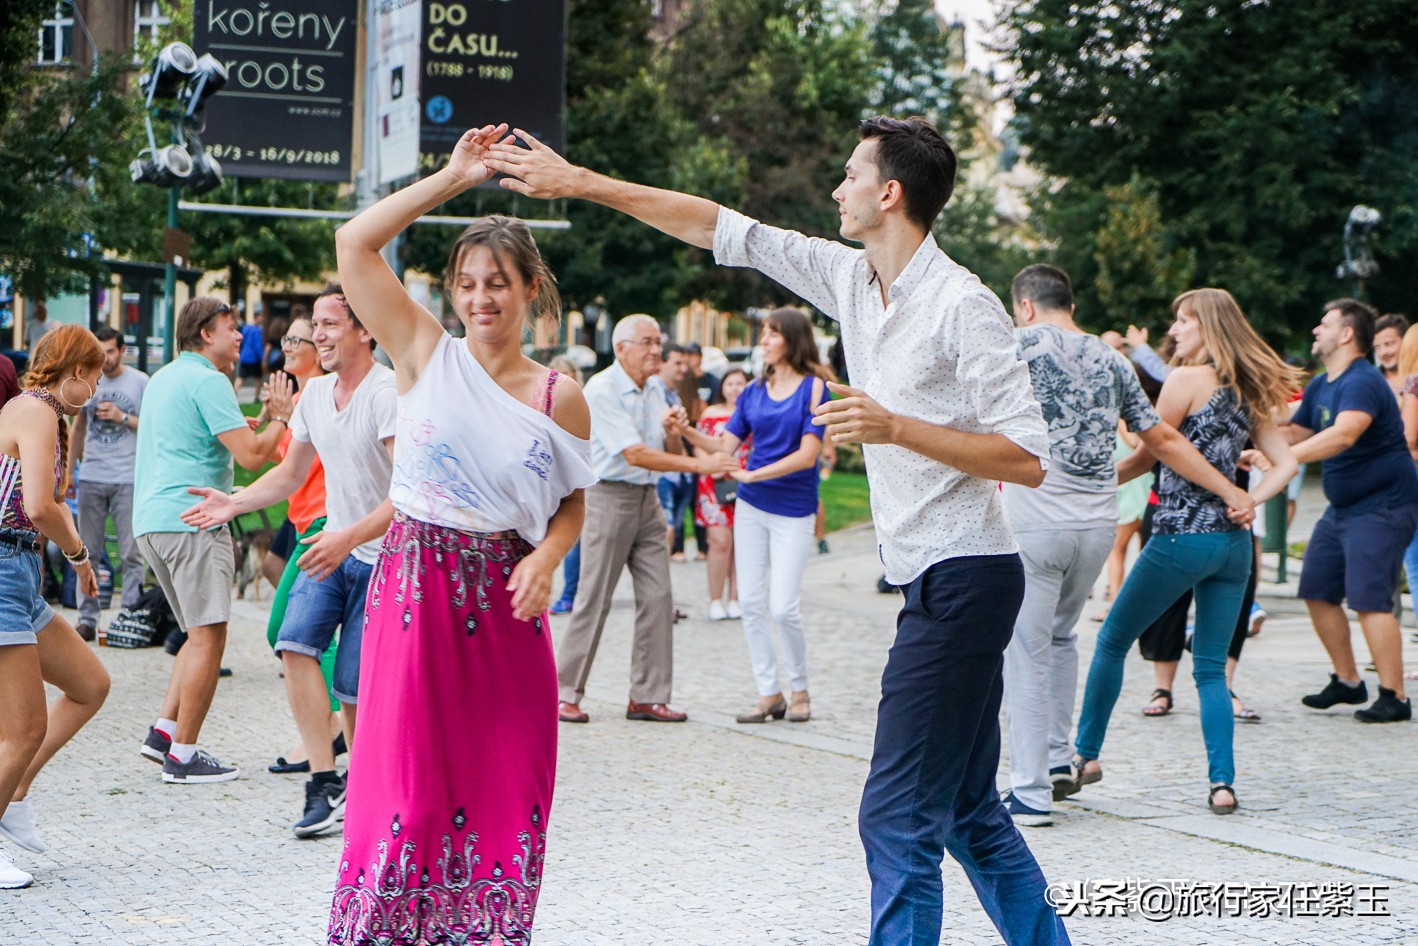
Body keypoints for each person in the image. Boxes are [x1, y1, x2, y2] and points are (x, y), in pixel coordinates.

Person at [486, 115, 1067, 945]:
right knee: (969, 811)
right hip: (933, 576)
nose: (836, 188)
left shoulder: (962, 304)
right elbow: (721, 228)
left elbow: (1028, 457)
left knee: (896, 817)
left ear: (889, 193)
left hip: (966, 576)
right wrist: (581, 183)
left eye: (850, 174)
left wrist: (896, 427)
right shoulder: (852, 278)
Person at [328, 123, 596, 943]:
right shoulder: (422, 353)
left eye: (499, 284)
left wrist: (550, 557)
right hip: (415, 599)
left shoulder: (559, 395)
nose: (482, 299)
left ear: (530, 290)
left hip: (505, 612)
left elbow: (572, 504)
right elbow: (353, 242)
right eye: (468, 284)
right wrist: (452, 179)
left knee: (505, 794)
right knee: (406, 803)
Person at [999, 267, 1256, 828]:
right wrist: (1231, 489)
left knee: (1027, 649)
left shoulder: (1015, 345)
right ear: (1070, 304)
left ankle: (1030, 792)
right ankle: (1058, 759)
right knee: (1062, 637)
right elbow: (1160, 439)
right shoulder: (1112, 358)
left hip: (1037, 517)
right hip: (1096, 524)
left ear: (1025, 306)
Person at [1072, 288, 1296, 817]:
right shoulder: (1248, 389)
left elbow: (1151, 454)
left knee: (1112, 640)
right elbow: (1285, 465)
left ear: (1208, 327)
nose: (1173, 331)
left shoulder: (1183, 380)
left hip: (1179, 537)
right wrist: (1249, 501)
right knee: (1212, 668)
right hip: (1233, 546)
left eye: (1182, 321)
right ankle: (1222, 784)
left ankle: (1085, 756)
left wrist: (1090, 482)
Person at [183, 283, 397, 839]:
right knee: (294, 642)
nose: (318, 336)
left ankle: (363, 785)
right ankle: (323, 781)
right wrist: (235, 501)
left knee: (353, 685)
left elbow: (407, 495)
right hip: (334, 544)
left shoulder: (387, 393)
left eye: (329, 325)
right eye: (314, 326)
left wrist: (348, 538)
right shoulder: (316, 396)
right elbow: (291, 473)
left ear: (364, 330)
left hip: (382, 557)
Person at [133, 296, 294, 784]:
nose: (240, 335)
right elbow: (251, 458)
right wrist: (282, 417)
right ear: (205, 333)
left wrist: (259, 422)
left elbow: (201, 438)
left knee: (195, 633)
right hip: (194, 521)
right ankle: (183, 757)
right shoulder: (210, 380)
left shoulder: (165, 378)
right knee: (209, 636)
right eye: (230, 327)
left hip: (153, 522)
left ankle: (164, 732)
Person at [554, 314, 736, 725]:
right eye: (648, 342)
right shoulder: (602, 389)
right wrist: (701, 467)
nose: (657, 350)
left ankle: (648, 697)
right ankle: (565, 693)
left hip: (648, 498)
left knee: (658, 598)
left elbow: (667, 449)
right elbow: (633, 453)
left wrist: (674, 430)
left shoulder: (656, 387)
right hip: (609, 497)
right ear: (621, 349)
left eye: (658, 341)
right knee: (594, 597)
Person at [676, 308, 827, 724]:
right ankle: (769, 693)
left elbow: (808, 455)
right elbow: (724, 447)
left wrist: (753, 474)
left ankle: (800, 689)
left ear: (792, 339)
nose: (764, 341)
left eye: (772, 333)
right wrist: (687, 431)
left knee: (784, 607)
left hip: (794, 508)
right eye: (763, 333)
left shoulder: (815, 389)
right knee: (752, 603)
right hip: (752, 507)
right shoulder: (754, 392)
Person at [0, 325, 111, 888]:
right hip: (2, 570)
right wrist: (77, 554)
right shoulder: (36, 411)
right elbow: (40, 506)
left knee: (90, 684)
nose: (95, 390)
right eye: (95, 378)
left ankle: (15, 790)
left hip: (19, 572)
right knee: (23, 729)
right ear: (76, 372)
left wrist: (79, 559)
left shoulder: (44, 413)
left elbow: (52, 505)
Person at [1285, 299, 1418, 722]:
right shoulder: (1322, 384)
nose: (1315, 330)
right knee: (1316, 588)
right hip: (1342, 509)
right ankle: (1347, 681)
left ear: (1346, 334)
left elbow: (1344, 434)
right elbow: (1294, 429)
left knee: (1370, 599)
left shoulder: (1361, 380)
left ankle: (1394, 697)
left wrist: (1283, 461)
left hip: (1383, 505)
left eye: (1324, 324)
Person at [256, 315, 341, 775]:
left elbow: (308, 459)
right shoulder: (301, 397)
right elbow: (287, 459)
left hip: (325, 520)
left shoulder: (323, 394)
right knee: (291, 633)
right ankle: (330, 726)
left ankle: (332, 725)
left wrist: (282, 419)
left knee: (293, 632)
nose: (288, 345)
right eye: (286, 337)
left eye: (297, 339)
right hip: (305, 518)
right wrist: (274, 420)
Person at [66, 327, 147, 641]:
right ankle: (87, 618)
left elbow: (152, 425)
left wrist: (121, 417)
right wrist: (69, 472)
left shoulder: (140, 382)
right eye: (100, 352)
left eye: (111, 351)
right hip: (92, 475)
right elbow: (77, 427)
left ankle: (130, 614)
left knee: (131, 552)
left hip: (128, 476)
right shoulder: (88, 379)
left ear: (123, 351)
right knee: (86, 551)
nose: (106, 358)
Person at [695, 367, 749, 620]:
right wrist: (710, 465)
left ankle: (735, 598)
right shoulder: (710, 414)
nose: (735, 388)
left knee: (742, 544)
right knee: (719, 542)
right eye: (730, 383)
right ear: (722, 387)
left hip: (745, 481)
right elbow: (698, 444)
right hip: (713, 484)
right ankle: (715, 599)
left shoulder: (751, 412)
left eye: (740, 383)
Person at [654, 342, 698, 562]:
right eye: (677, 363)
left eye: (685, 363)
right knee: (666, 529)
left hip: (677, 472)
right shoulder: (653, 391)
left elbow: (676, 435)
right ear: (662, 363)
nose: (684, 368)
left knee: (671, 529)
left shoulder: (674, 395)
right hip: (661, 473)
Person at [548, 354, 584, 615]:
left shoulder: (582, 402)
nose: (562, 379)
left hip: (578, 481)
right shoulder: (539, 403)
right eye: (557, 373)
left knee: (573, 542)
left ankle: (569, 594)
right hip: (549, 479)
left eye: (567, 373)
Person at [1374, 313, 1409, 398]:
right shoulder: (1371, 383)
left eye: (1389, 344)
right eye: (1377, 347)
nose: (1383, 352)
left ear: (1406, 341)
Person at [236, 306, 266, 397]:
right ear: (257, 317)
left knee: (241, 377)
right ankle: (256, 397)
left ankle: (234, 393)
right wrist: (262, 357)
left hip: (244, 356)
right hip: (254, 358)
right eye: (261, 316)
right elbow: (258, 345)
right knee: (258, 378)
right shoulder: (257, 330)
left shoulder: (246, 328)